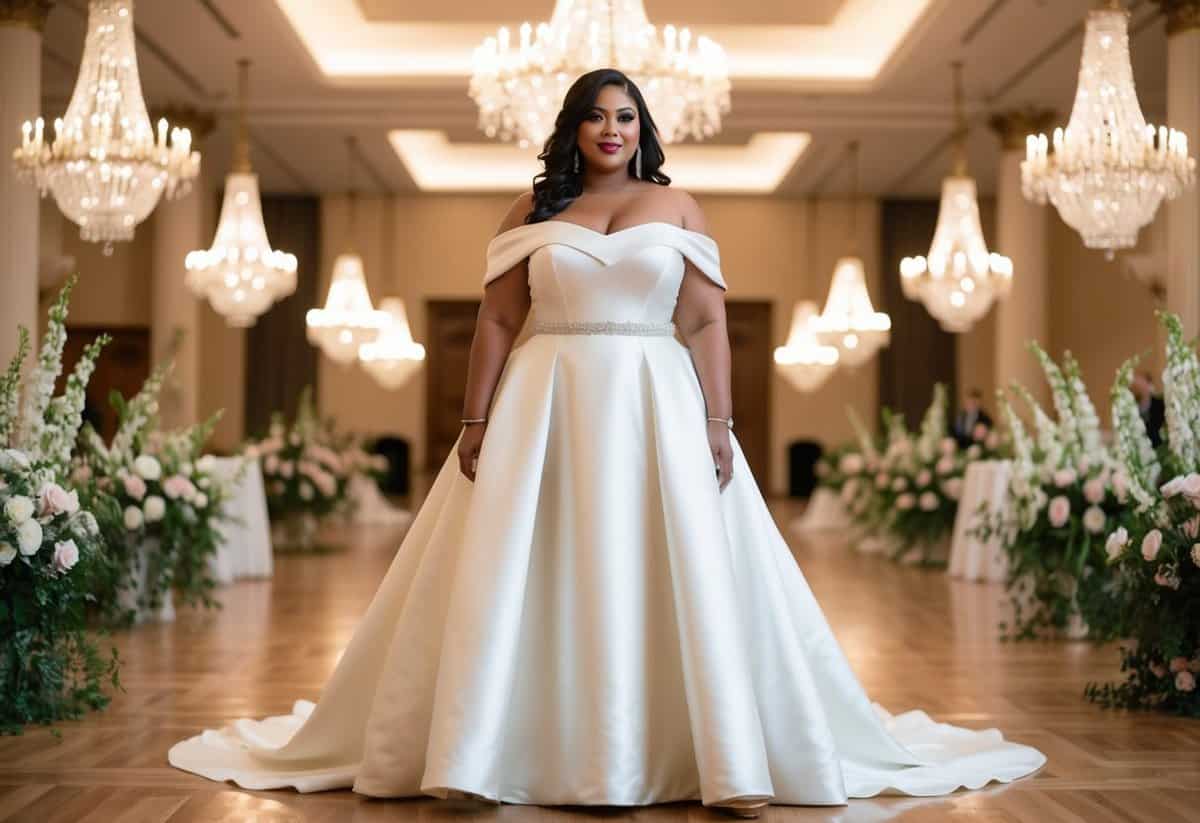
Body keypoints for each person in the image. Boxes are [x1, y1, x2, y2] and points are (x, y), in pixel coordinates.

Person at [168, 69, 1045, 816]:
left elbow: (705, 323)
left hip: (657, 400)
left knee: (670, 563)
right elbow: (496, 323)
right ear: (573, 129)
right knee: (531, 560)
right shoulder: (530, 208)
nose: (612, 129)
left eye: (626, 116)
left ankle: (721, 751)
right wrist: (473, 419)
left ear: (643, 129)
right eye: (597, 115)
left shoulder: (680, 205)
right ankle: (482, 747)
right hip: (544, 401)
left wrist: (717, 420)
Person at [1132, 369, 1166, 447]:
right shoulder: (1132, 406)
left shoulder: (1159, 403)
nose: (1138, 386)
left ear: (1148, 384)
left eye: (1141, 382)